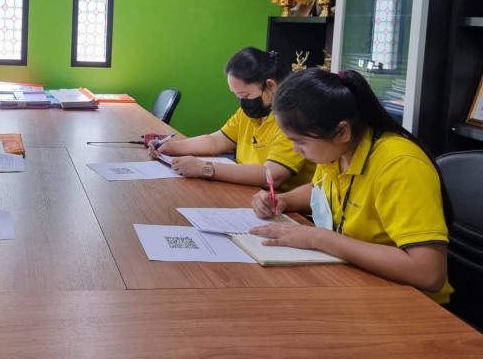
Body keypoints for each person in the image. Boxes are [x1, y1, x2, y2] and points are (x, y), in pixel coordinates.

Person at [250, 68, 452, 303]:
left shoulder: (399, 164)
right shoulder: (338, 151)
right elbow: (321, 189)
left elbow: (428, 273)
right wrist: (285, 199)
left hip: (408, 300)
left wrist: (318, 238)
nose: (296, 150)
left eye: (301, 141)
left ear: (342, 131)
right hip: (355, 278)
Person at [150, 47, 314, 191]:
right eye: (237, 96)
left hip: (281, 205)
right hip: (248, 192)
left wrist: (204, 168)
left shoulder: (291, 120)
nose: (242, 102)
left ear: (270, 86)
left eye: (245, 95)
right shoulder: (249, 113)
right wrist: (171, 147)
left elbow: (271, 176)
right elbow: (216, 141)